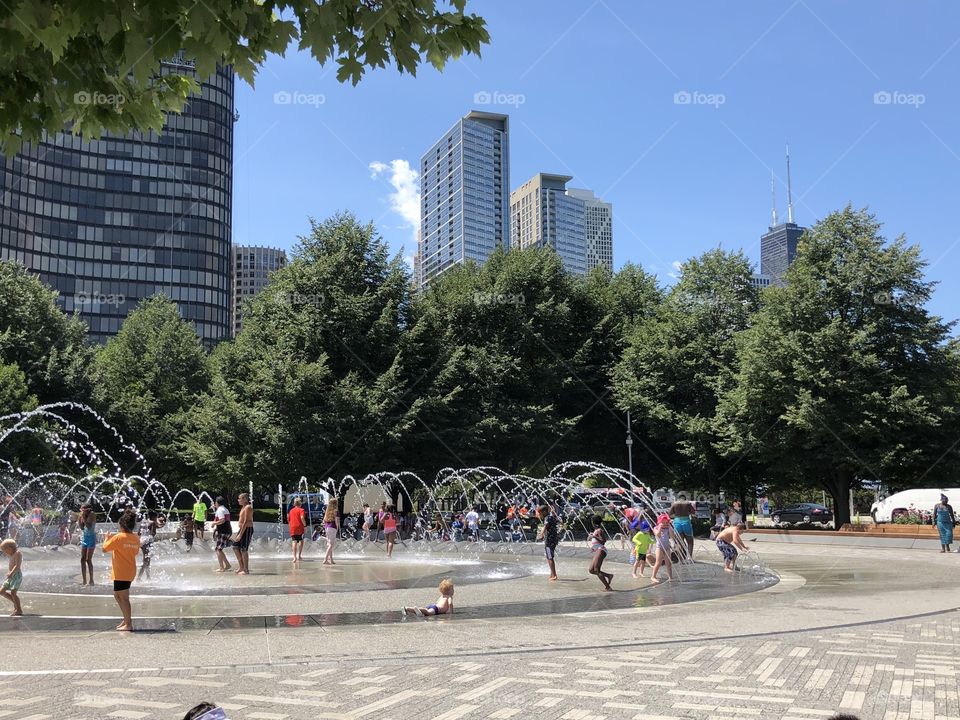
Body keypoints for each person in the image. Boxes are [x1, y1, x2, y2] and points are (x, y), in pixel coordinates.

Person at [103, 509, 140, 631]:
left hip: (121, 571)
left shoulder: (119, 537)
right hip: (129, 570)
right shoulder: (135, 538)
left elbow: (104, 549)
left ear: (122, 525)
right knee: (118, 595)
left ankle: (128, 624)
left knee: (123, 597)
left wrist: (106, 538)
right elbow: (135, 552)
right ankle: (126, 618)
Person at [587, 515, 613, 591]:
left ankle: (608, 587)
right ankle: (608, 575)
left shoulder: (599, 530)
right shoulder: (595, 530)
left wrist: (594, 537)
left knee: (596, 569)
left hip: (601, 549)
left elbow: (603, 541)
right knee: (591, 570)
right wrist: (591, 537)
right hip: (597, 550)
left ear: (593, 522)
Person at [0, 538, 23, 616]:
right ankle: (15, 602)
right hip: (11, 576)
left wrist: (11, 573)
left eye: (5, 550)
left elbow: (17, 565)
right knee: (1, 591)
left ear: (10, 548)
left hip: (16, 576)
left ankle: (19, 610)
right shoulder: (11, 554)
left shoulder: (18, 553)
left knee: (13, 593)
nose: (5, 552)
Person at [537, 504, 560, 581]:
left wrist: (541, 534)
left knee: (549, 557)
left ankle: (554, 575)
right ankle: (552, 573)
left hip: (549, 540)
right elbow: (559, 522)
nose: (539, 515)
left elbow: (545, 526)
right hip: (554, 539)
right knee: (550, 556)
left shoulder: (547, 518)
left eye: (540, 513)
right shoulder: (551, 517)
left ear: (544, 512)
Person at [232, 493, 254, 575]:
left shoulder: (248, 507)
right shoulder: (243, 507)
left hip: (247, 529)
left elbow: (246, 521)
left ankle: (246, 569)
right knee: (235, 547)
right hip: (242, 529)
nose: (238, 500)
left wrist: (240, 534)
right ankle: (241, 567)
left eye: (240, 498)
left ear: (245, 499)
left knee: (243, 549)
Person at [650, 513, 675, 584]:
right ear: (659, 522)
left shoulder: (667, 528)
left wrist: (670, 527)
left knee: (668, 563)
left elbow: (672, 536)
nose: (664, 524)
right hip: (659, 547)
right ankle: (653, 576)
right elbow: (658, 535)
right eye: (663, 522)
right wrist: (660, 528)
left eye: (666, 522)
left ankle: (670, 577)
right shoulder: (656, 528)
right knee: (658, 562)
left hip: (667, 547)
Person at [212, 497, 232, 572]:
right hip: (226, 531)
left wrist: (214, 523)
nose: (214, 503)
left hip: (223, 531)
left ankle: (221, 567)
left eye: (215, 502)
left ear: (217, 503)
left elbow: (222, 520)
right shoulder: (225, 509)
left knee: (218, 549)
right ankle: (227, 565)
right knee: (219, 549)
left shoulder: (220, 510)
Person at [137, 510, 158, 581]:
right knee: (146, 560)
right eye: (156, 517)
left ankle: (148, 577)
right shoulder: (152, 523)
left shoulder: (143, 522)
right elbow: (153, 533)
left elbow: (139, 533)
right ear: (154, 517)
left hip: (142, 542)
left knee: (146, 559)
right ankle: (139, 577)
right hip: (148, 542)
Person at [79, 503, 97, 586]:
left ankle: (91, 580)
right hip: (85, 538)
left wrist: (83, 517)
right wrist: (79, 519)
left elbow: (89, 526)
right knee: (82, 559)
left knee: (88, 559)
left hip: (91, 538)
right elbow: (82, 527)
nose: (82, 512)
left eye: (83, 510)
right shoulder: (83, 515)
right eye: (81, 510)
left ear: (88, 510)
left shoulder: (92, 514)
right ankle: (84, 580)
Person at [321, 498, 340, 566]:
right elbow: (337, 521)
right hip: (333, 527)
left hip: (327, 527)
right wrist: (337, 528)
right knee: (331, 545)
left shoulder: (327, 510)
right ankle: (325, 559)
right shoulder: (336, 511)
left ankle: (331, 560)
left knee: (329, 544)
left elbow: (324, 520)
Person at [288, 496, 307, 563]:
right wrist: (305, 525)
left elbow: (289, 519)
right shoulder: (301, 510)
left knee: (294, 541)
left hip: (293, 527)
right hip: (300, 527)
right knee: (301, 541)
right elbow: (302, 517)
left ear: (294, 504)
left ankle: (294, 557)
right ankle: (299, 556)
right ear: (300, 503)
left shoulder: (291, 511)